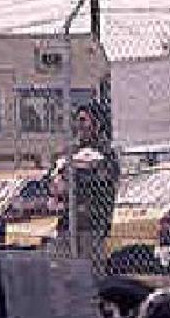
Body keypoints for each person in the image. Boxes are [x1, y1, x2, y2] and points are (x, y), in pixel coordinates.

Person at [49, 101, 120, 266]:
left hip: (92, 224)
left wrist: (74, 173)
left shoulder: (105, 152)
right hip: (68, 223)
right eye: (77, 120)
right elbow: (55, 183)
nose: (79, 125)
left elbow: (102, 178)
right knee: (62, 269)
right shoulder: (71, 151)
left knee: (90, 270)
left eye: (83, 120)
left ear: (96, 124)